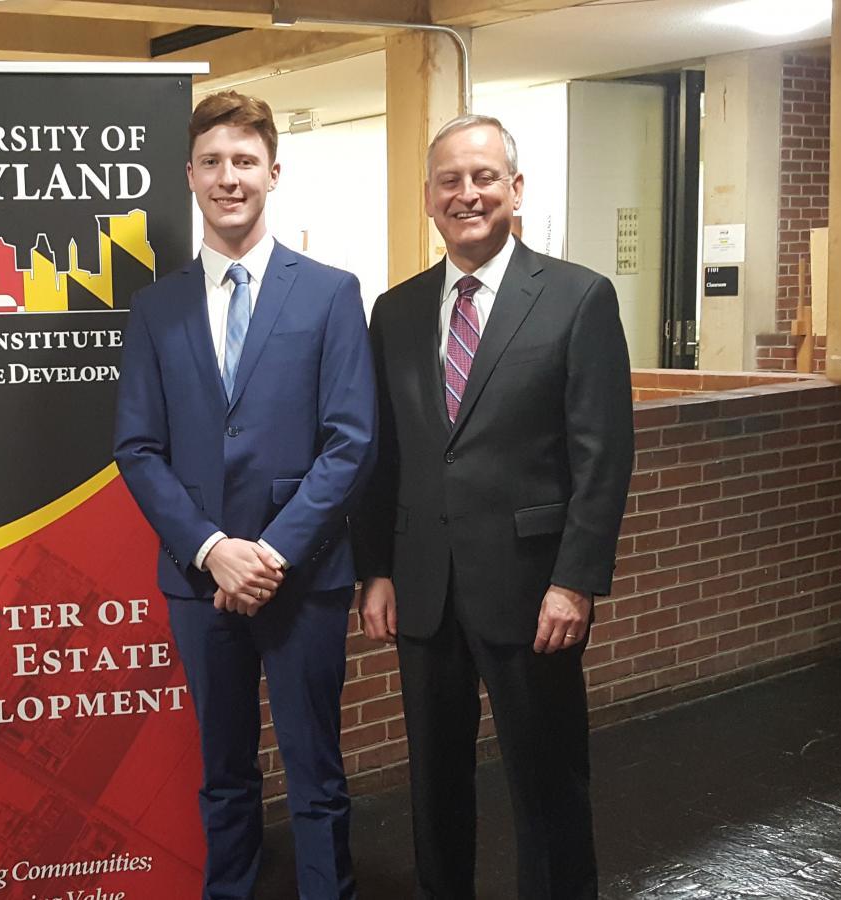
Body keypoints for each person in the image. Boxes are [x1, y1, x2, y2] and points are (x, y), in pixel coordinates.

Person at [354, 115, 634, 899]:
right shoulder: (397, 311)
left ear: (515, 189)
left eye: (483, 177)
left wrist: (575, 581)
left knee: (547, 785)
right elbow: (383, 457)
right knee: (434, 788)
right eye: (450, 180)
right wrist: (373, 568)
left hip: (532, 587)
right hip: (424, 587)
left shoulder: (578, 298)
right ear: (428, 199)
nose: (467, 193)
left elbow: (602, 456)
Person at [113, 91, 376, 900]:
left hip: (302, 577)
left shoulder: (330, 291)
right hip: (199, 579)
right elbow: (137, 447)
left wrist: (269, 551)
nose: (231, 178)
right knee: (223, 772)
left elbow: (351, 438)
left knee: (315, 774)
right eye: (215, 163)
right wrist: (212, 549)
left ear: (274, 172)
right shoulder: (157, 309)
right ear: (190, 175)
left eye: (246, 162)